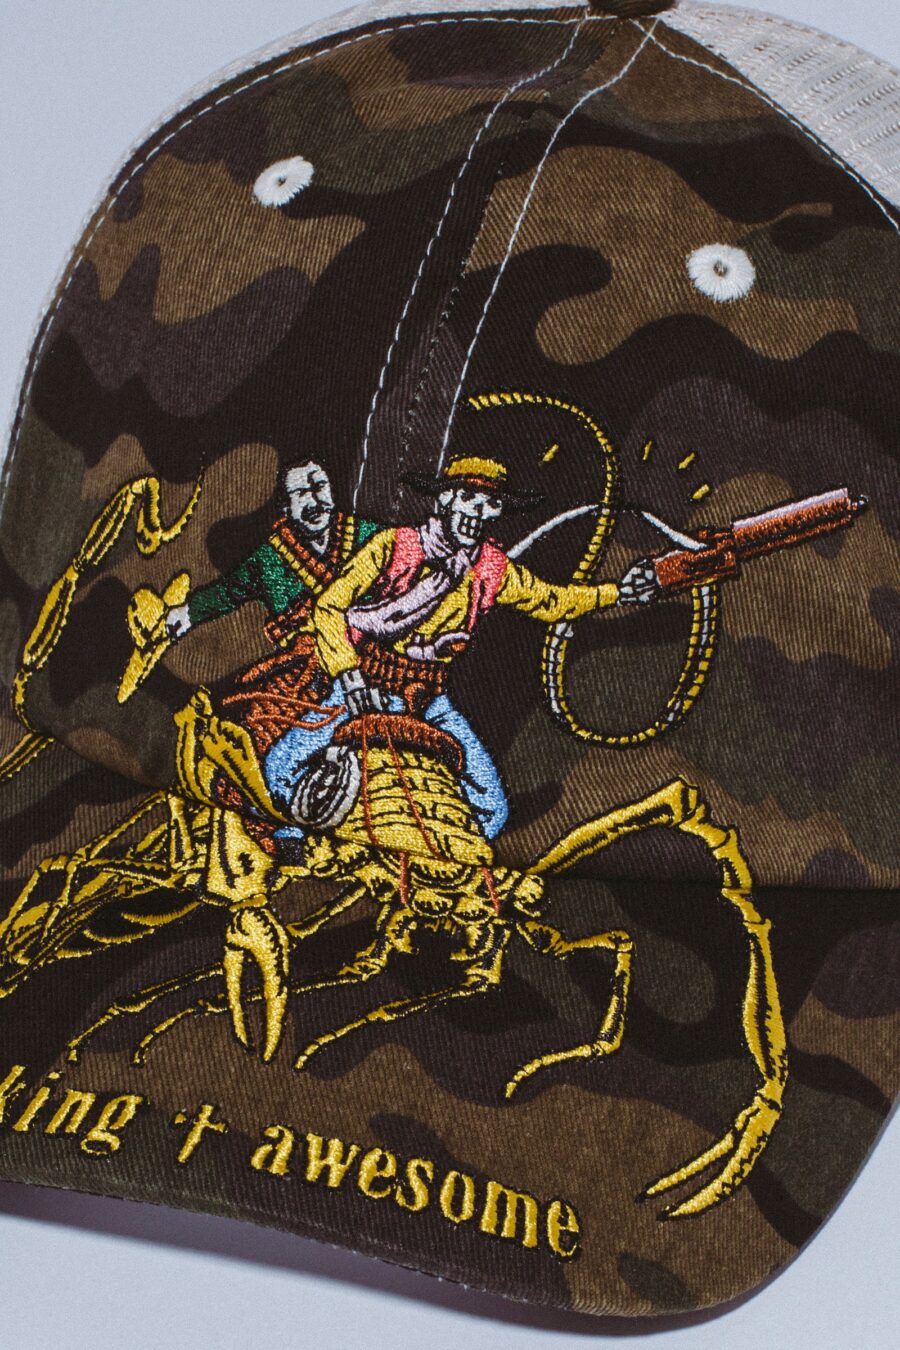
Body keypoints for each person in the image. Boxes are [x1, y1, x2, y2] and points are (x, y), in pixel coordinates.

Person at [266, 456, 658, 840]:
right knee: (281, 768)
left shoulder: (491, 568)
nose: (478, 512)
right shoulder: (395, 546)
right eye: (468, 497)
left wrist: (620, 592)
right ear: (444, 500)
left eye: (491, 503)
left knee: (490, 808)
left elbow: (551, 601)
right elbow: (330, 607)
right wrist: (350, 679)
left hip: (429, 698)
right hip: (366, 682)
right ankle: (300, 838)